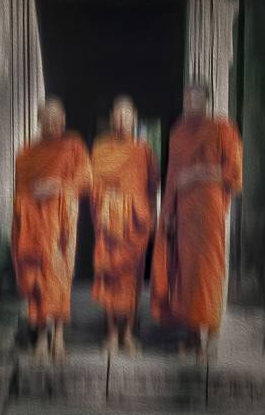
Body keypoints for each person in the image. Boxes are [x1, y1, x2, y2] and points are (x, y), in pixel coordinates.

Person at [150, 83, 242, 362]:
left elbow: (235, 174)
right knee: (185, 274)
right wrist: (167, 213)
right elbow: (173, 177)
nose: (190, 102)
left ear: (207, 102)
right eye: (187, 97)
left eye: (196, 98)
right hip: (183, 214)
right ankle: (191, 337)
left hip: (209, 213)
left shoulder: (223, 128)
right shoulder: (177, 132)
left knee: (208, 273)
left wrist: (200, 173)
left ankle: (209, 341)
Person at [11, 97, 92, 364]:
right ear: (38, 120)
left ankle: (58, 335)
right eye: (47, 118)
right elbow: (21, 192)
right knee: (37, 281)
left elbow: (85, 180)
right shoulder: (26, 153)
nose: (52, 123)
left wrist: (55, 186)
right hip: (35, 228)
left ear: (65, 121)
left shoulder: (74, 147)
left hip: (62, 226)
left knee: (59, 277)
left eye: (57, 118)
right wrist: (34, 195)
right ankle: (42, 336)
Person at [91, 96, 159, 355]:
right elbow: (92, 183)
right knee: (108, 276)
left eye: (126, 115)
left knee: (132, 280)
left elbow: (152, 187)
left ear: (134, 119)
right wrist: (108, 201)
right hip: (108, 222)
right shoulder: (100, 148)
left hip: (134, 223)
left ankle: (128, 333)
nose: (121, 120)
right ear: (111, 119)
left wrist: (150, 216)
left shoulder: (144, 150)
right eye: (117, 115)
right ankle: (110, 333)